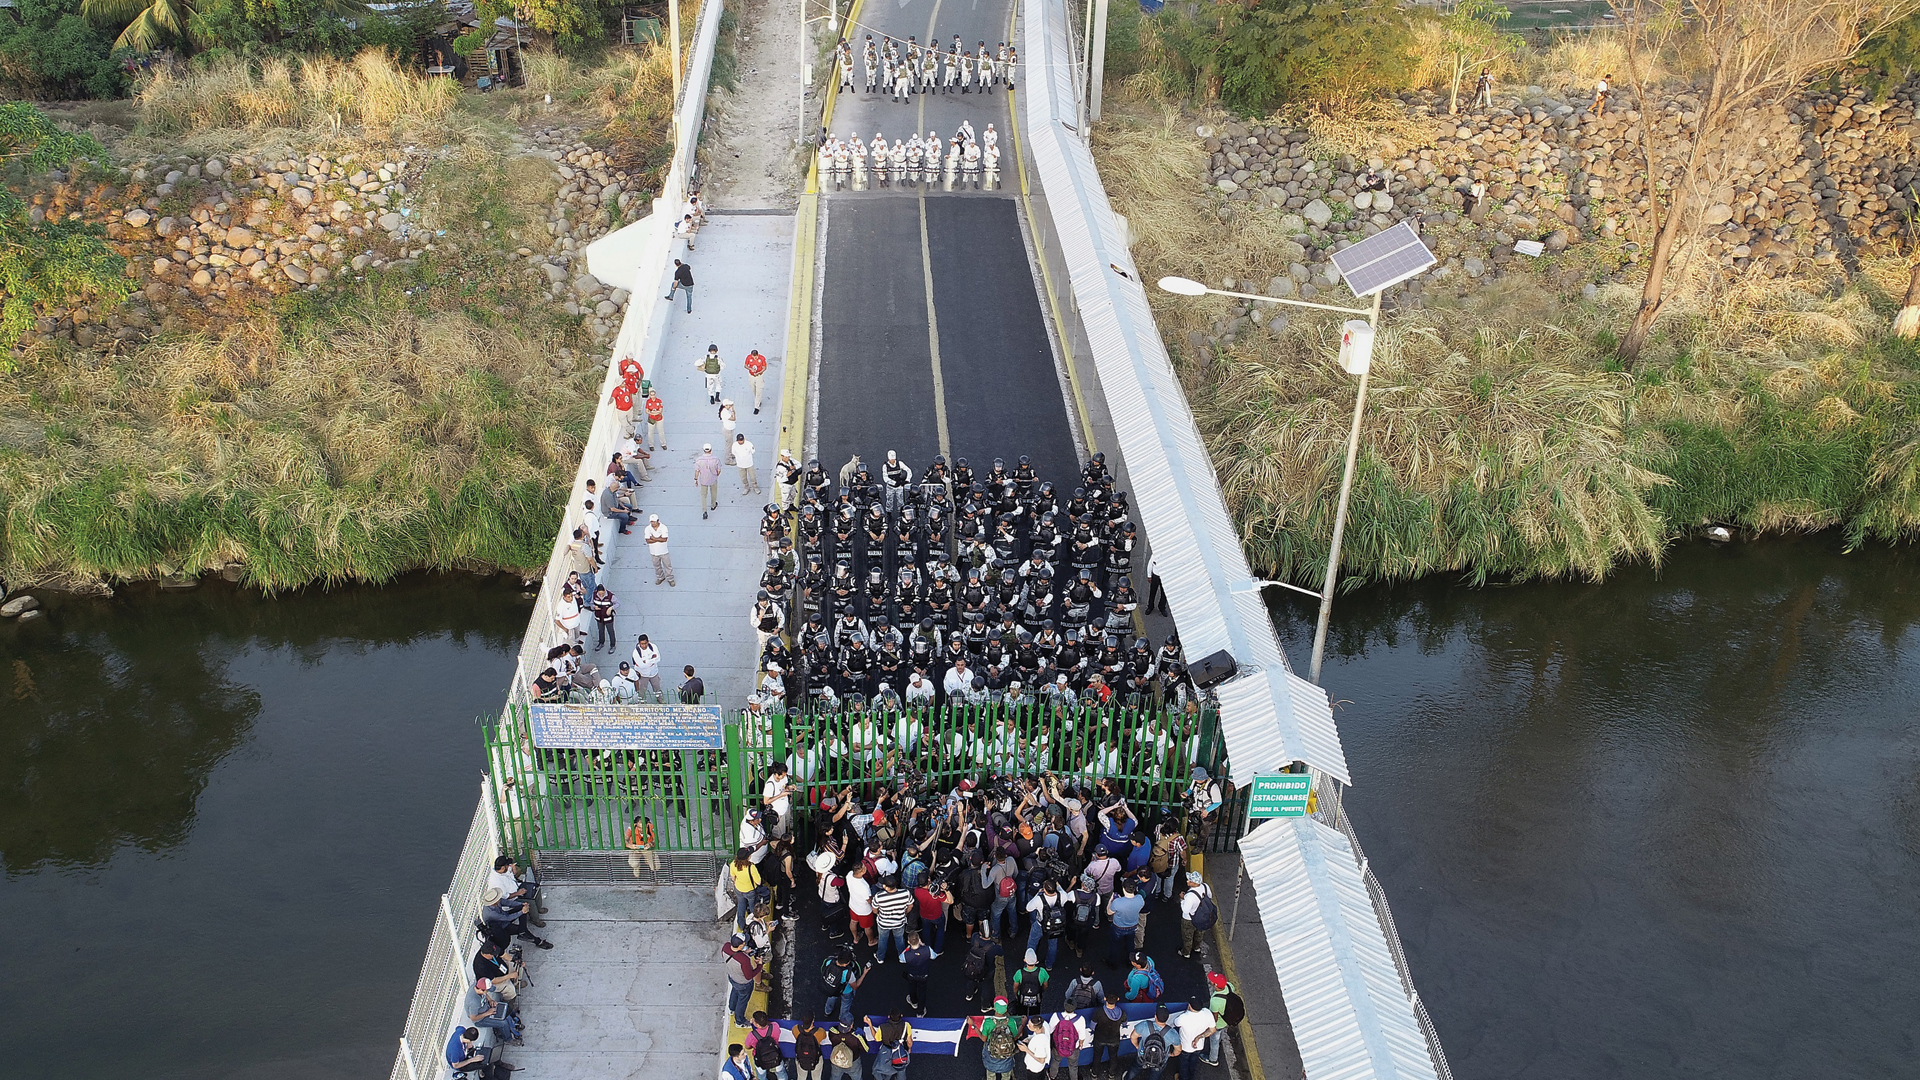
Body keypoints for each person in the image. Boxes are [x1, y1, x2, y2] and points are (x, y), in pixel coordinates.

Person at [464, 977, 522, 1046]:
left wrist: (490, 1000)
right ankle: (508, 1040)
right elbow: (473, 1018)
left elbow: (485, 994)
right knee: (503, 1023)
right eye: (487, 990)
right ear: (481, 990)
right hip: (480, 1020)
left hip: (487, 1008)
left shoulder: (477, 985)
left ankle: (513, 1026)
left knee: (504, 1010)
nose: (487, 992)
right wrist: (488, 1013)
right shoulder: (474, 1001)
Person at [1124, 1006, 1175, 1080]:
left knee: (1135, 1068)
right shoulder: (1172, 1033)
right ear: (1168, 1018)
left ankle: (1127, 1078)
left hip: (1142, 1055)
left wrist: (1137, 1046)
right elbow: (1178, 1050)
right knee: (1154, 1076)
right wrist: (1171, 1054)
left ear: (1155, 1016)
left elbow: (1133, 1037)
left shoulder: (1144, 1025)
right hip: (1160, 1060)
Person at [724, 932, 763, 1027]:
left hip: (732, 977)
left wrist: (743, 953)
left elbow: (734, 955)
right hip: (743, 984)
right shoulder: (744, 960)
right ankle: (739, 1021)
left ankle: (731, 1009)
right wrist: (759, 965)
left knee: (734, 992)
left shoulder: (725, 947)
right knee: (742, 1001)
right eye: (744, 943)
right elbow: (749, 976)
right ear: (741, 945)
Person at [873, 875, 915, 962]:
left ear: (885, 887)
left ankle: (880, 958)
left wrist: (878, 913)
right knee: (899, 940)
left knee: (882, 940)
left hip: (883, 923)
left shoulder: (878, 896)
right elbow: (910, 905)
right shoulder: (905, 893)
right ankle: (902, 957)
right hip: (899, 922)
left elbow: (874, 909)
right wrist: (905, 913)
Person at [1171, 1000, 1216, 1080]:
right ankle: (1191, 1077)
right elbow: (1212, 1030)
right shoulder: (1207, 1013)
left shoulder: (1184, 1017)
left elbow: (1176, 1023)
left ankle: (1182, 1078)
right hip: (1199, 1046)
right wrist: (1198, 1037)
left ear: (1189, 1006)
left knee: (1183, 1064)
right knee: (1193, 1063)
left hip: (1185, 1047)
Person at [447, 1026, 514, 1079]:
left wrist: (467, 1045)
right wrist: (472, 1060)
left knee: (488, 1053)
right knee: (486, 1064)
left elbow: (458, 1027)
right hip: (461, 1063)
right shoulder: (455, 1050)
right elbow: (456, 1065)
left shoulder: (461, 1031)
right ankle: (488, 1078)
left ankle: (499, 1064)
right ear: (467, 1039)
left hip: (465, 1053)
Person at [979, 998, 1021, 1080]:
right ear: (1006, 1010)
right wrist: (1022, 1025)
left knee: (990, 1073)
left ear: (994, 1007)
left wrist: (973, 1026)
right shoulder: (1011, 1021)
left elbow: (984, 1039)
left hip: (991, 1052)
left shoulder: (988, 1022)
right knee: (1006, 1075)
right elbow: (1015, 1037)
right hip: (1006, 1053)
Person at [1087, 993, 1126, 1080]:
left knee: (1097, 1056)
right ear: (1118, 999)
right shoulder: (1122, 1013)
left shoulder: (1098, 1012)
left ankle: (1094, 1074)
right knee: (1113, 1057)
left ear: (1105, 999)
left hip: (1099, 1039)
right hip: (1114, 1039)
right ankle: (1111, 1074)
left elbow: (1092, 1026)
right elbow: (1124, 1024)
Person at [1105, 882, 1144, 968]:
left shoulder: (1117, 902)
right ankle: (1130, 961)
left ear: (1123, 888)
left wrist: (1111, 901)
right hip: (1133, 926)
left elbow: (1109, 912)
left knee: (1114, 944)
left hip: (1118, 927)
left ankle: (1113, 963)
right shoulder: (1140, 899)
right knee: (1130, 944)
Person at [1178, 872, 1214, 958]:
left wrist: (1182, 899)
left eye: (1189, 880)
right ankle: (1197, 947)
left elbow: (1185, 910)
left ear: (1194, 883)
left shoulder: (1190, 896)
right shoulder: (1205, 886)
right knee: (1199, 933)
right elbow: (1209, 896)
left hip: (1189, 919)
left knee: (1188, 936)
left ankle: (1186, 953)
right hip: (1202, 916)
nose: (1187, 881)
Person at [900, 930, 933, 1015]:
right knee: (922, 992)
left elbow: (901, 959)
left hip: (912, 974)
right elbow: (934, 956)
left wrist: (907, 948)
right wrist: (924, 946)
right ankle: (920, 1012)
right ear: (919, 939)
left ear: (908, 942)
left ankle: (913, 1001)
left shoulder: (906, 954)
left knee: (912, 987)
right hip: (924, 975)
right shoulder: (927, 949)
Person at [749, 1012, 789, 1080]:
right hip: (775, 1057)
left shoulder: (752, 1035)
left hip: (760, 1060)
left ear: (757, 1024)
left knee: (761, 1076)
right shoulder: (775, 1026)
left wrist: (752, 1024)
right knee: (781, 1074)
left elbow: (748, 1046)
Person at [1012, 947, 1049, 1017]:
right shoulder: (1042, 971)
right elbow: (1046, 986)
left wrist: (1017, 995)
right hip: (1036, 998)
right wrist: (1041, 991)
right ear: (1036, 961)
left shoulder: (1019, 973)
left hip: (1022, 998)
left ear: (1025, 960)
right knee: (1035, 1016)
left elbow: (1015, 987)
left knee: (1022, 1016)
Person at [846, 863, 877, 946]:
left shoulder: (849, 875)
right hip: (864, 910)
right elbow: (869, 900)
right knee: (868, 927)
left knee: (853, 922)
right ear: (862, 872)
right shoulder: (864, 887)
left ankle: (855, 938)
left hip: (853, 904)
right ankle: (871, 941)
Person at [763, 761, 793, 839]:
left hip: (785, 807)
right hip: (777, 811)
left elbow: (784, 786)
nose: (784, 777)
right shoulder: (770, 784)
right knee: (778, 834)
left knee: (787, 826)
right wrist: (780, 795)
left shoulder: (784, 777)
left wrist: (789, 788)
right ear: (777, 774)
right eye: (782, 776)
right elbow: (766, 801)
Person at [645, 515, 676, 586]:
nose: (652, 523)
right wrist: (659, 539)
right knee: (657, 566)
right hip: (653, 552)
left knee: (667, 566)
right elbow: (647, 540)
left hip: (663, 551)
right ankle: (660, 577)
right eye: (651, 522)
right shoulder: (647, 528)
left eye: (654, 522)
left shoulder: (663, 527)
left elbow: (664, 539)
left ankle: (670, 579)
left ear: (658, 521)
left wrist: (653, 538)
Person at [630, 634, 664, 700]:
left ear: (648, 641)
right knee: (642, 690)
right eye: (642, 644)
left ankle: (659, 699)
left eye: (645, 643)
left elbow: (658, 658)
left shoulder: (653, 647)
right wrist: (652, 661)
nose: (644, 645)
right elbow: (642, 666)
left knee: (657, 687)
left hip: (653, 672)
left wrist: (646, 661)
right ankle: (641, 701)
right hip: (642, 674)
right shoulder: (636, 653)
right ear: (639, 643)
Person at [625, 814, 659, 879]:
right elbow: (625, 839)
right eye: (639, 828)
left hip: (648, 848)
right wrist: (630, 845)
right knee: (633, 863)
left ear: (647, 825)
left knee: (656, 867)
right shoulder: (632, 827)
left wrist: (651, 844)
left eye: (643, 827)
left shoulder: (651, 826)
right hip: (635, 848)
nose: (641, 830)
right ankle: (636, 867)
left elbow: (656, 840)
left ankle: (647, 860)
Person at [1020, 1014, 1053, 1080]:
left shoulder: (1040, 1042)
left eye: (1029, 1026)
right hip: (1039, 1068)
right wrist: (1030, 1038)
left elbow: (1041, 1060)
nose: (1027, 1025)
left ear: (1036, 1028)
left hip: (1035, 1068)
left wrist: (1026, 1050)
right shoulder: (1044, 1025)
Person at [697, 443, 724, 518]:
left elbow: (697, 471)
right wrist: (716, 475)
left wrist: (696, 479)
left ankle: (704, 511)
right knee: (714, 492)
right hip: (713, 479)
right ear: (711, 450)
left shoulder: (699, 460)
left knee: (703, 495)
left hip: (703, 480)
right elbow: (719, 470)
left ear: (703, 450)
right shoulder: (716, 459)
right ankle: (713, 505)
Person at [590, 584, 618, 654]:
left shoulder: (610, 596)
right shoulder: (594, 595)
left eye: (602, 593)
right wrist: (594, 607)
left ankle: (612, 645)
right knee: (601, 631)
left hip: (608, 618)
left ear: (605, 590)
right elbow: (591, 604)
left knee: (610, 631)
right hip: (599, 617)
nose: (601, 595)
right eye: (600, 594)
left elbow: (618, 603)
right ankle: (601, 643)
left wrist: (611, 608)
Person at [744, 348, 769, 414]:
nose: (754, 358)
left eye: (755, 356)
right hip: (751, 376)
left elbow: (764, 367)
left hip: (759, 376)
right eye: (753, 356)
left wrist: (759, 372)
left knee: (759, 390)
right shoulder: (749, 357)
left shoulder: (762, 358)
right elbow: (745, 365)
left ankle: (756, 407)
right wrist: (750, 369)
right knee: (753, 389)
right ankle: (758, 400)